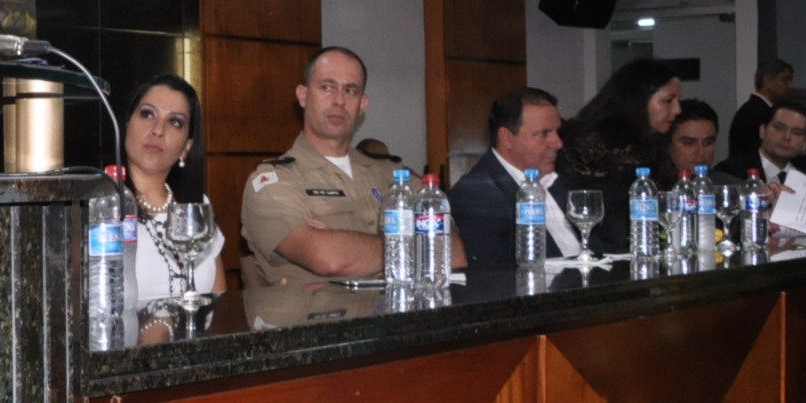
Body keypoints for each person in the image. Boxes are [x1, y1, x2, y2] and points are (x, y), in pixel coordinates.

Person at [240, 47, 460, 284]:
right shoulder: (273, 181)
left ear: (362, 104)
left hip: (398, 305)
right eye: (327, 87)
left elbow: (455, 252)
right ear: (303, 96)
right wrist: (417, 245)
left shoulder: (393, 173)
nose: (339, 100)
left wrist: (344, 243)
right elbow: (330, 259)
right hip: (318, 308)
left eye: (350, 90)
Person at [556, 59, 682, 253]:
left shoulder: (651, 142)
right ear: (639, 100)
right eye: (668, 100)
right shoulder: (597, 143)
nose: (677, 110)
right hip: (600, 252)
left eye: (678, 101)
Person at [118, 75, 225, 300]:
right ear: (127, 125)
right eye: (148, 114)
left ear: (186, 147)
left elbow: (219, 304)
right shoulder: (100, 205)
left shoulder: (197, 207)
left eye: (175, 122)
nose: (158, 130)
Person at [449, 87, 580, 271]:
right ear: (507, 138)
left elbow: (601, 246)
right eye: (543, 134)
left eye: (558, 132)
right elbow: (490, 274)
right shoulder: (476, 194)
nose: (558, 143)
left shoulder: (561, 181)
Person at [717, 99, 806, 188]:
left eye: (797, 133)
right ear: (762, 131)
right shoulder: (731, 171)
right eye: (779, 128)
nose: (787, 137)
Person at [727, 59, 794, 160]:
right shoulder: (757, 114)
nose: (792, 86)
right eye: (785, 80)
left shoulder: (752, 109)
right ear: (768, 81)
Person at [666, 98, 720, 176]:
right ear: (668, 144)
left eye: (708, 143)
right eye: (689, 143)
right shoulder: (650, 182)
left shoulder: (728, 182)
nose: (701, 152)